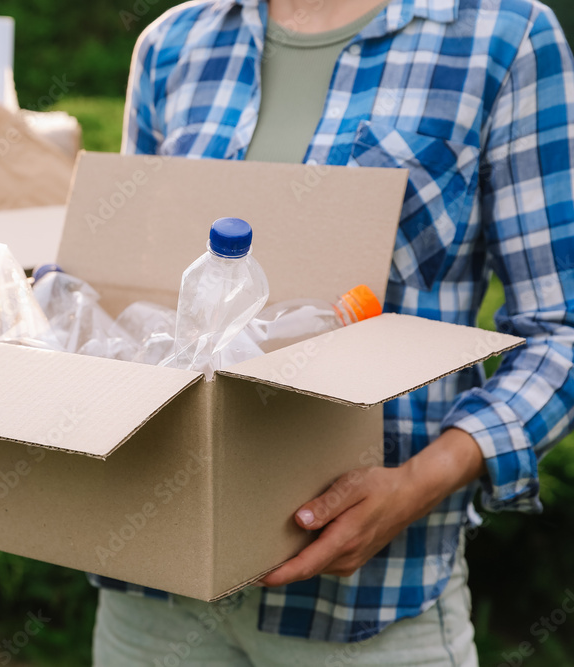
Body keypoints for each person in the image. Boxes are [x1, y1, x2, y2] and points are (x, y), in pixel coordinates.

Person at [92, 0, 574, 663]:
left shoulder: (503, 38)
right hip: (153, 598)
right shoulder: (172, 43)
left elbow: (559, 332)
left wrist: (413, 486)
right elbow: (128, 295)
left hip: (370, 611)